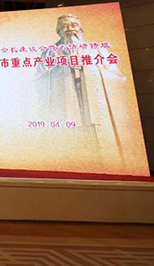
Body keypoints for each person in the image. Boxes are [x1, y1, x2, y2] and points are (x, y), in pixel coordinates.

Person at [36, 14, 127, 165]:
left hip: (97, 106)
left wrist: (88, 68)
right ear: (58, 32)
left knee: (104, 155)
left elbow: (118, 78)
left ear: (81, 29)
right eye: (64, 27)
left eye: (74, 25)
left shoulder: (97, 50)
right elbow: (40, 81)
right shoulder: (49, 52)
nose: (70, 29)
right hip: (65, 106)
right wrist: (63, 68)